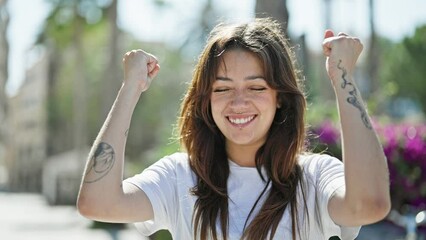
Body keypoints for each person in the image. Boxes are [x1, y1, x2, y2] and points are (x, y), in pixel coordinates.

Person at [77, 18, 391, 240]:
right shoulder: (179, 177)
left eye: (256, 88)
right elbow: (97, 203)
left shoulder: (315, 177)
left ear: (279, 97)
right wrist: (131, 87)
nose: (238, 103)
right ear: (206, 99)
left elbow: (369, 205)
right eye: (223, 88)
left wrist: (342, 77)